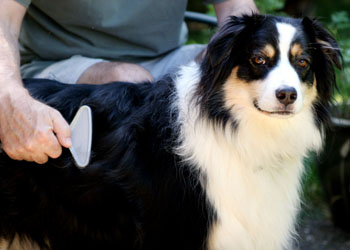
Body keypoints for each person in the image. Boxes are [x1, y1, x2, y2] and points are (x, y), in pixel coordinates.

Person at [0, 0, 258, 164]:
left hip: (167, 58)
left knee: (240, 84)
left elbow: (238, 8)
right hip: (59, 63)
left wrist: (222, 56)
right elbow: (3, 19)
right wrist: (9, 95)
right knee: (128, 83)